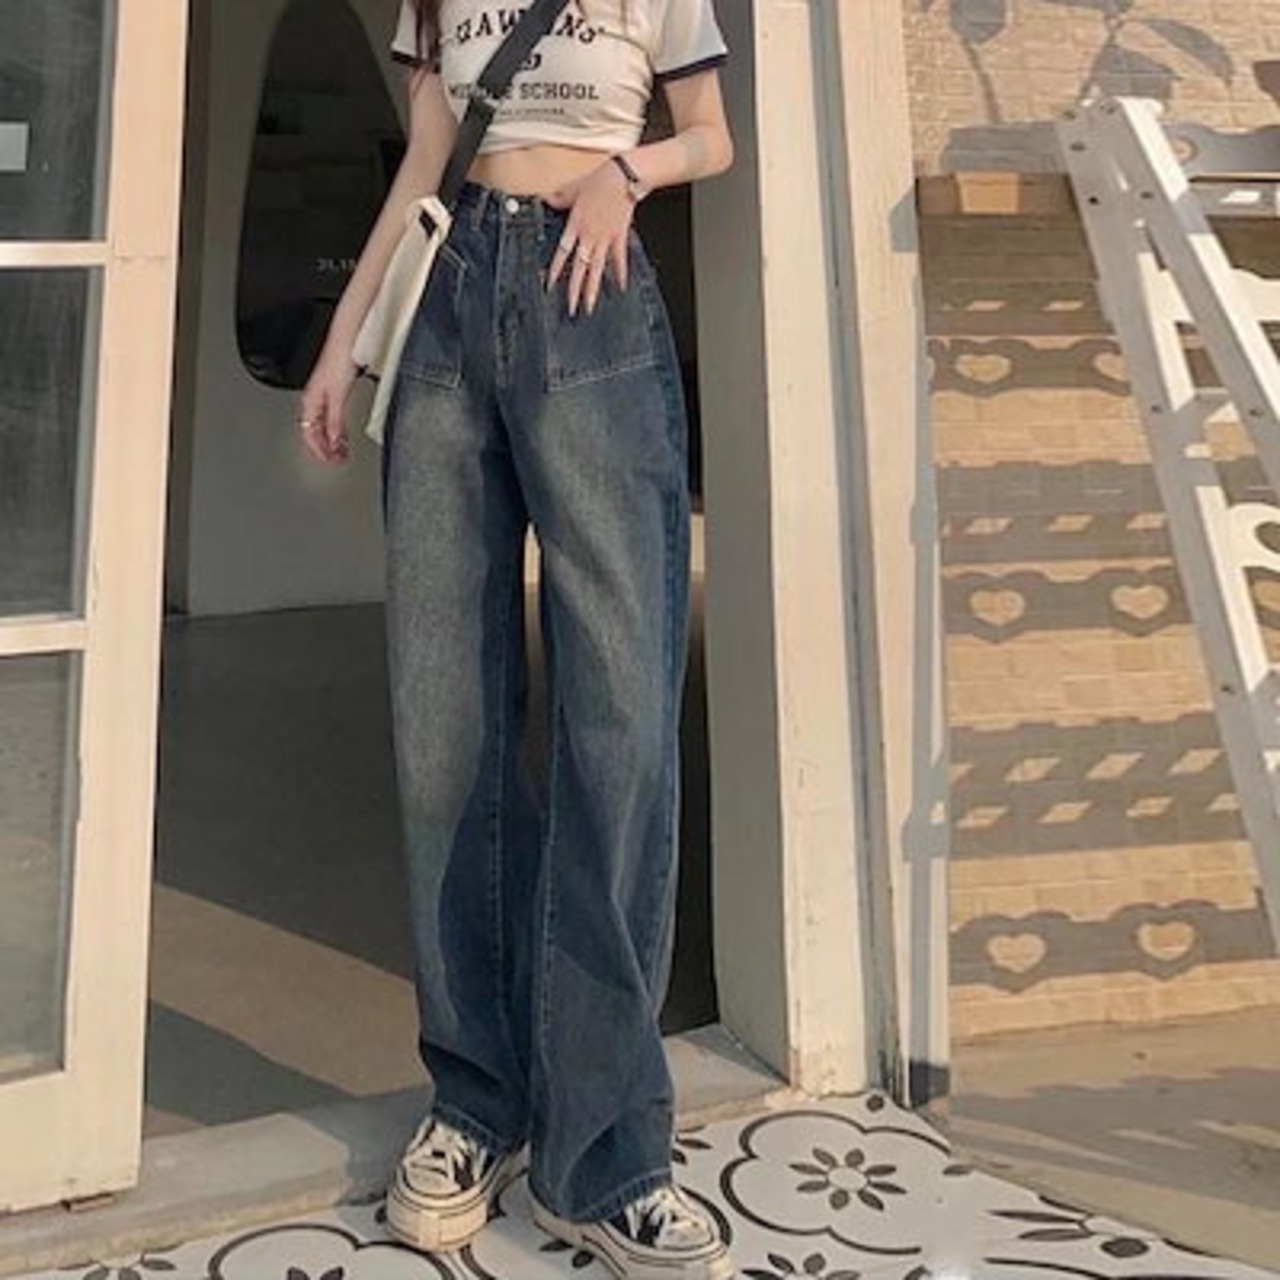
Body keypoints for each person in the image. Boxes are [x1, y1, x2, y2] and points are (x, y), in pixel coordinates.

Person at [298, 2, 734, 1276]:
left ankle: (606, 1153)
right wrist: (341, 342)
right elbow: (424, 164)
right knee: (446, 729)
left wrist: (626, 173)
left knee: (618, 726)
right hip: (447, 305)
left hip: (590, 299)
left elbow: (711, 134)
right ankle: (473, 1102)